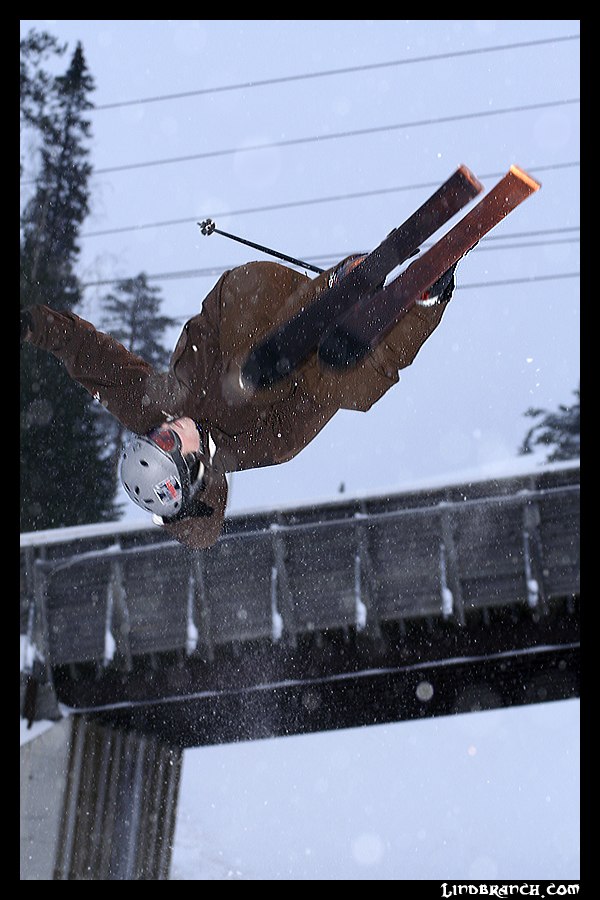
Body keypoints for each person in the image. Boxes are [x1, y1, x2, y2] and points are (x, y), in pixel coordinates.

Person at [20, 252, 459, 550]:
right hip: (295, 331)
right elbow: (319, 395)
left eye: (154, 437)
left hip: (244, 299)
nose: (164, 430)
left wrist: (35, 326)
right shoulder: (260, 446)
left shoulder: (147, 406)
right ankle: (423, 300)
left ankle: (329, 299)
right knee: (350, 391)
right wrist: (351, 344)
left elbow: (89, 357)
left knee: (251, 378)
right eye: (170, 447)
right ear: (196, 475)